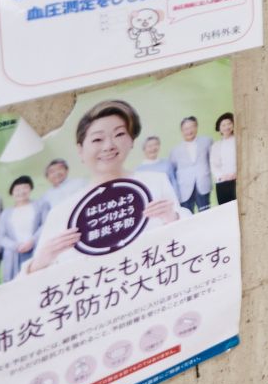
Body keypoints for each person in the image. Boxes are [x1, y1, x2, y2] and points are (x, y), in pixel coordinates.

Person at [27, 99, 179, 274]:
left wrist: (172, 218)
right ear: (80, 149)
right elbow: (33, 286)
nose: (108, 146)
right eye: (97, 139)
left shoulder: (155, 181)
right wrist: (40, 261)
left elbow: (188, 236)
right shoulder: (62, 212)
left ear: (132, 140)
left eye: (119, 134)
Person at [0, 175, 42, 282]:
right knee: (17, 285)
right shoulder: (6, 213)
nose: (21, 191)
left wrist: (32, 241)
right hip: (15, 254)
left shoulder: (40, 205)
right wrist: (16, 246)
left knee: (38, 280)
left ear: (30, 189)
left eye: (25, 187)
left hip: (36, 250)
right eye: (17, 189)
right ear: (12, 193)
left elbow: (45, 225)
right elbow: (1, 237)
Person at [171, 114, 214, 214]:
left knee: (206, 213)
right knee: (187, 214)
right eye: (186, 128)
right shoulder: (175, 150)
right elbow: (173, 170)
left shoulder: (207, 141)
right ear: (182, 131)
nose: (189, 131)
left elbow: (213, 161)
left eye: (191, 127)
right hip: (184, 188)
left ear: (196, 127)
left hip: (203, 184)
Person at [33, 158, 86, 227]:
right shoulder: (46, 197)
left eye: (60, 169)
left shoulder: (80, 183)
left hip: (83, 220)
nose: (56, 173)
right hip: (61, 227)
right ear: (47, 177)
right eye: (52, 171)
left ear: (66, 170)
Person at [137, 134, 179, 199]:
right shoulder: (139, 170)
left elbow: (174, 183)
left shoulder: (167, 164)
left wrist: (176, 199)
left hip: (169, 200)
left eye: (156, 144)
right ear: (144, 149)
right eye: (150, 146)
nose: (153, 148)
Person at [209, 113, 237, 205]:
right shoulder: (216, 145)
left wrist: (236, 174)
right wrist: (222, 176)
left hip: (238, 180)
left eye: (229, 124)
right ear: (219, 128)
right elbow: (214, 164)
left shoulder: (238, 140)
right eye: (223, 125)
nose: (227, 127)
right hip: (223, 182)